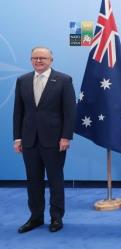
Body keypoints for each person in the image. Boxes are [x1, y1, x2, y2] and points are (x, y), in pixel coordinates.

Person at [13, 46, 76, 233]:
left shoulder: (64, 80)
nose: (38, 61)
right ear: (31, 60)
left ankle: (56, 218)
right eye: (35, 58)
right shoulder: (22, 80)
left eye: (43, 58)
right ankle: (35, 217)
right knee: (33, 181)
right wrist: (17, 138)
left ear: (51, 60)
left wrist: (66, 136)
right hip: (29, 140)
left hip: (55, 140)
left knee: (56, 180)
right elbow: (18, 112)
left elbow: (69, 112)